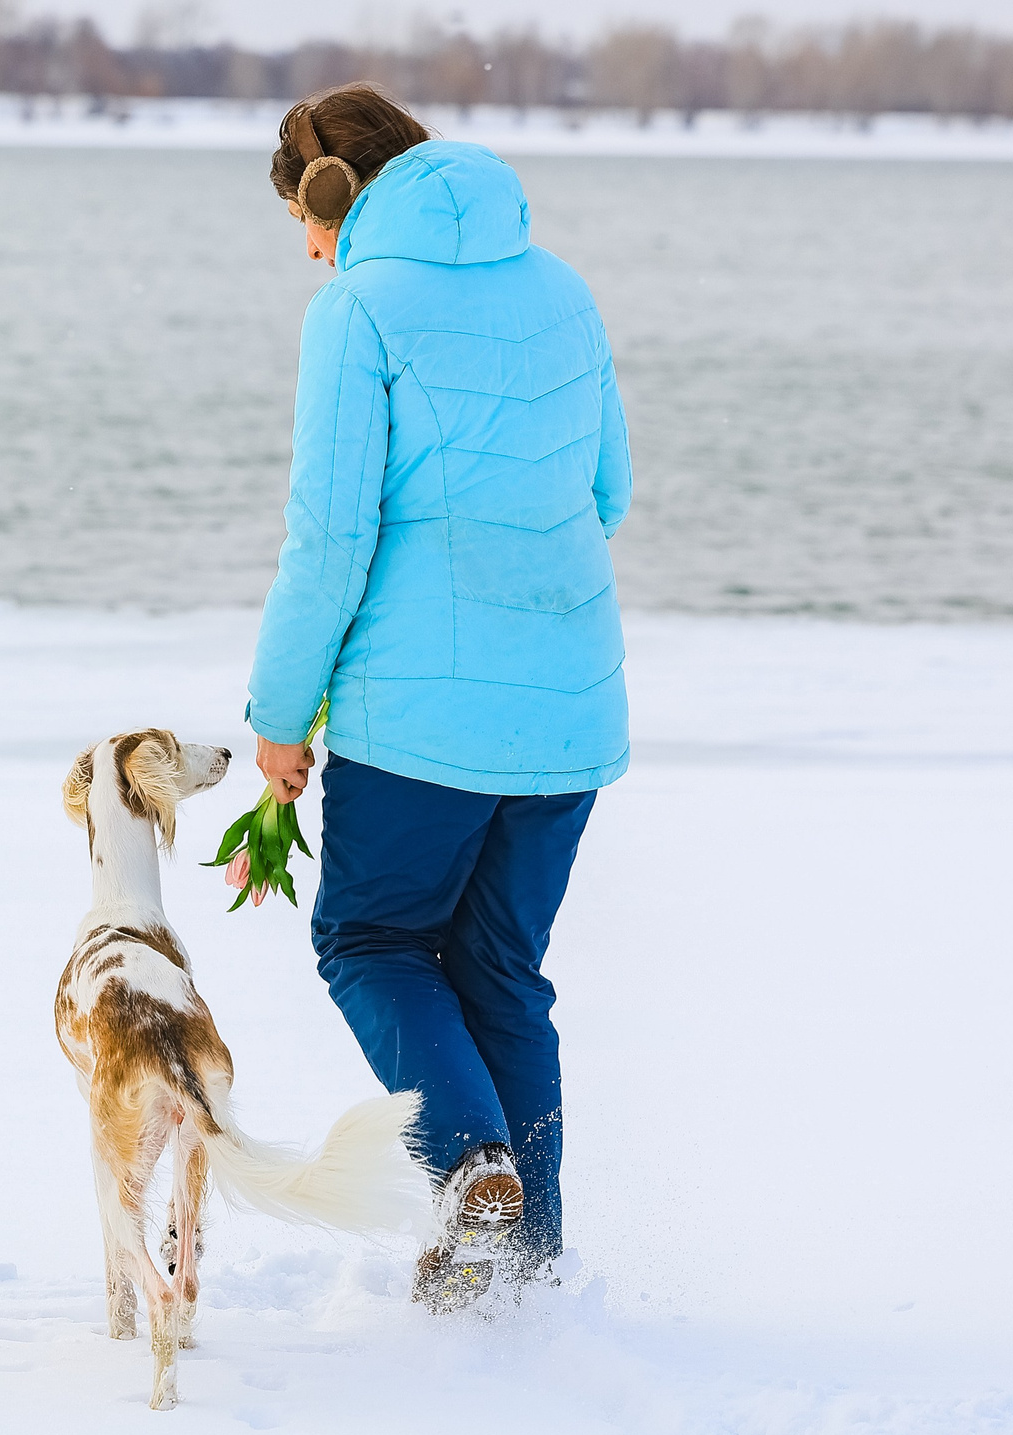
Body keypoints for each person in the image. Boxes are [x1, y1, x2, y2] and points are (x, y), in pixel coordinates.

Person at [246, 85, 631, 1313]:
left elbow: (329, 538)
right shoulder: (561, 288)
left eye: (305, 222)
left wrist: (277, 715)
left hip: (418, 723)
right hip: (569, 709)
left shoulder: (357, 307)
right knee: (501, 973)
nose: (311, 251)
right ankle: (526, 1267)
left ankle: (471, 1175)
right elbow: (609, 492)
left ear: (334, 196)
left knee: (371, 943)